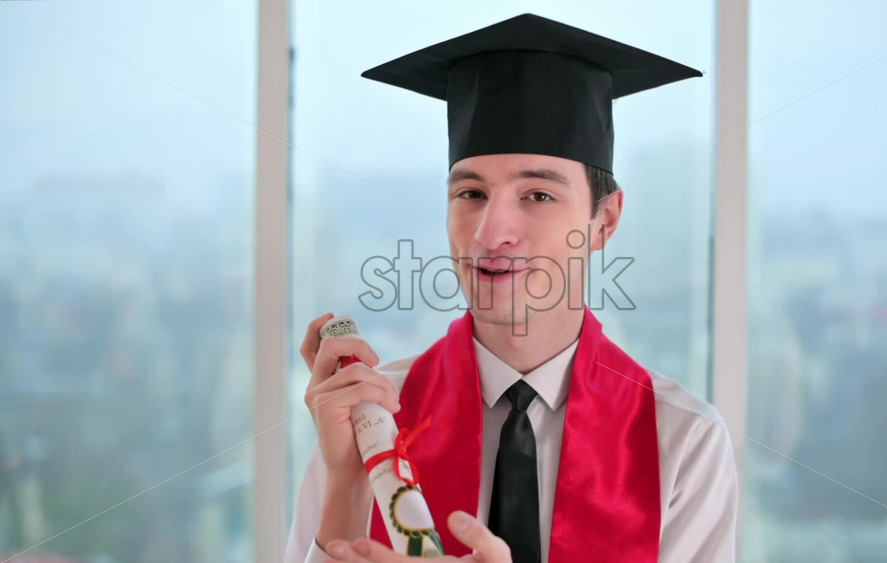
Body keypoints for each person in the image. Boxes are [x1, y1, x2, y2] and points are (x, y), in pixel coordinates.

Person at [284, 13, 738, 563]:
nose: (490, 232)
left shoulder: (682, 443)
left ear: (605, 221)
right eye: (471, 193)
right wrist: (348, 483)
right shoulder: (371, 419)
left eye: (538, 196)